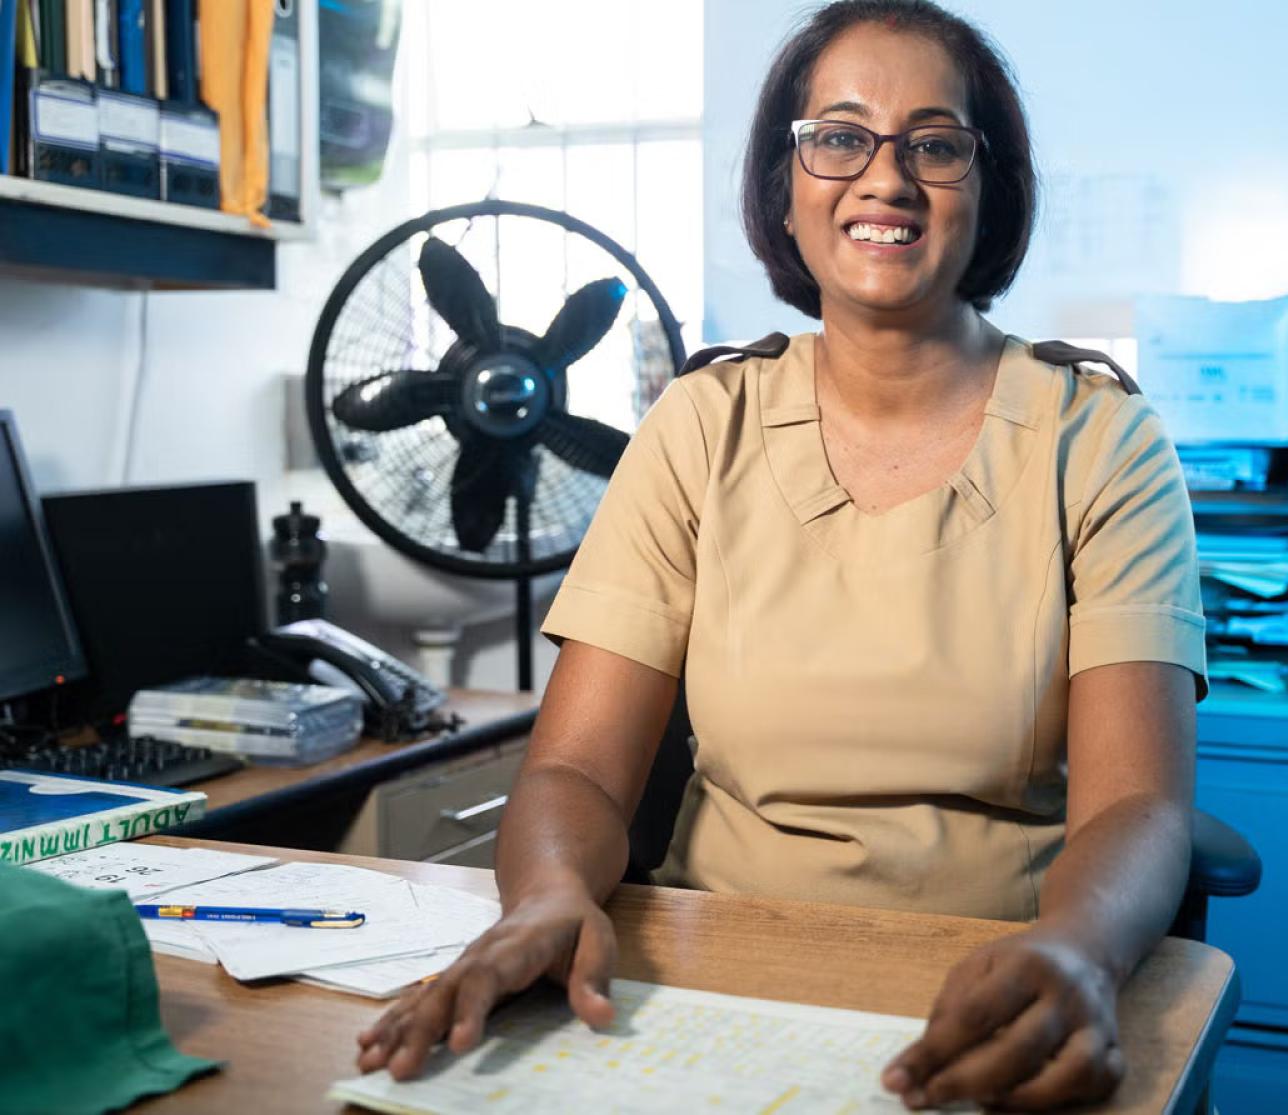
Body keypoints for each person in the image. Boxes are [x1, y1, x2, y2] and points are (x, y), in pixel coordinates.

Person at [356, 1, 1206, 1108]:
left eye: (935, 144)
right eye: (839, 136)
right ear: (784, 183)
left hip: (998, 977)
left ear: (986, 186)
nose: (885, 180)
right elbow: (574, 770)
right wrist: (547, 895)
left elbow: (1133, 809)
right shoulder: (699, 422)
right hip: (709, 977)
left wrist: (1081, 950)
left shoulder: (1099, 436)